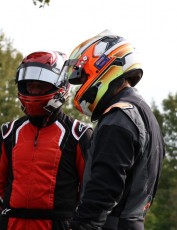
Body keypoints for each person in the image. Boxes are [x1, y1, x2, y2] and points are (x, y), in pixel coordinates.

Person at [62, 30, 165, 230]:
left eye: (83, 78)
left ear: (102, 67)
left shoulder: (118, 118)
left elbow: (104, 187)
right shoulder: (143, 113)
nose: (81, 85)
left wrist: (84, 225)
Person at [0, 51, 93, 230]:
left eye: (41, 86)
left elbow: (89, 189)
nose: (34, 91)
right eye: (30, 86)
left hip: (57, 224)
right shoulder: (9, 132)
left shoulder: (79, 134)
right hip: (12, 223)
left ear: (60, 86)